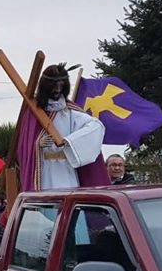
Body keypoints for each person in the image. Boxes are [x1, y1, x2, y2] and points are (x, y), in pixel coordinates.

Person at [18, 63, 110, 191]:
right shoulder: (33, 113)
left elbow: (96, 126)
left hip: (67, 169)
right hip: (44, 170)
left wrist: (70, 141)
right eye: (54, 86)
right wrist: (38, 144)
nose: (57, 90)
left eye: (61, 86)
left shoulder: (70, 111)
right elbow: (24, 146)